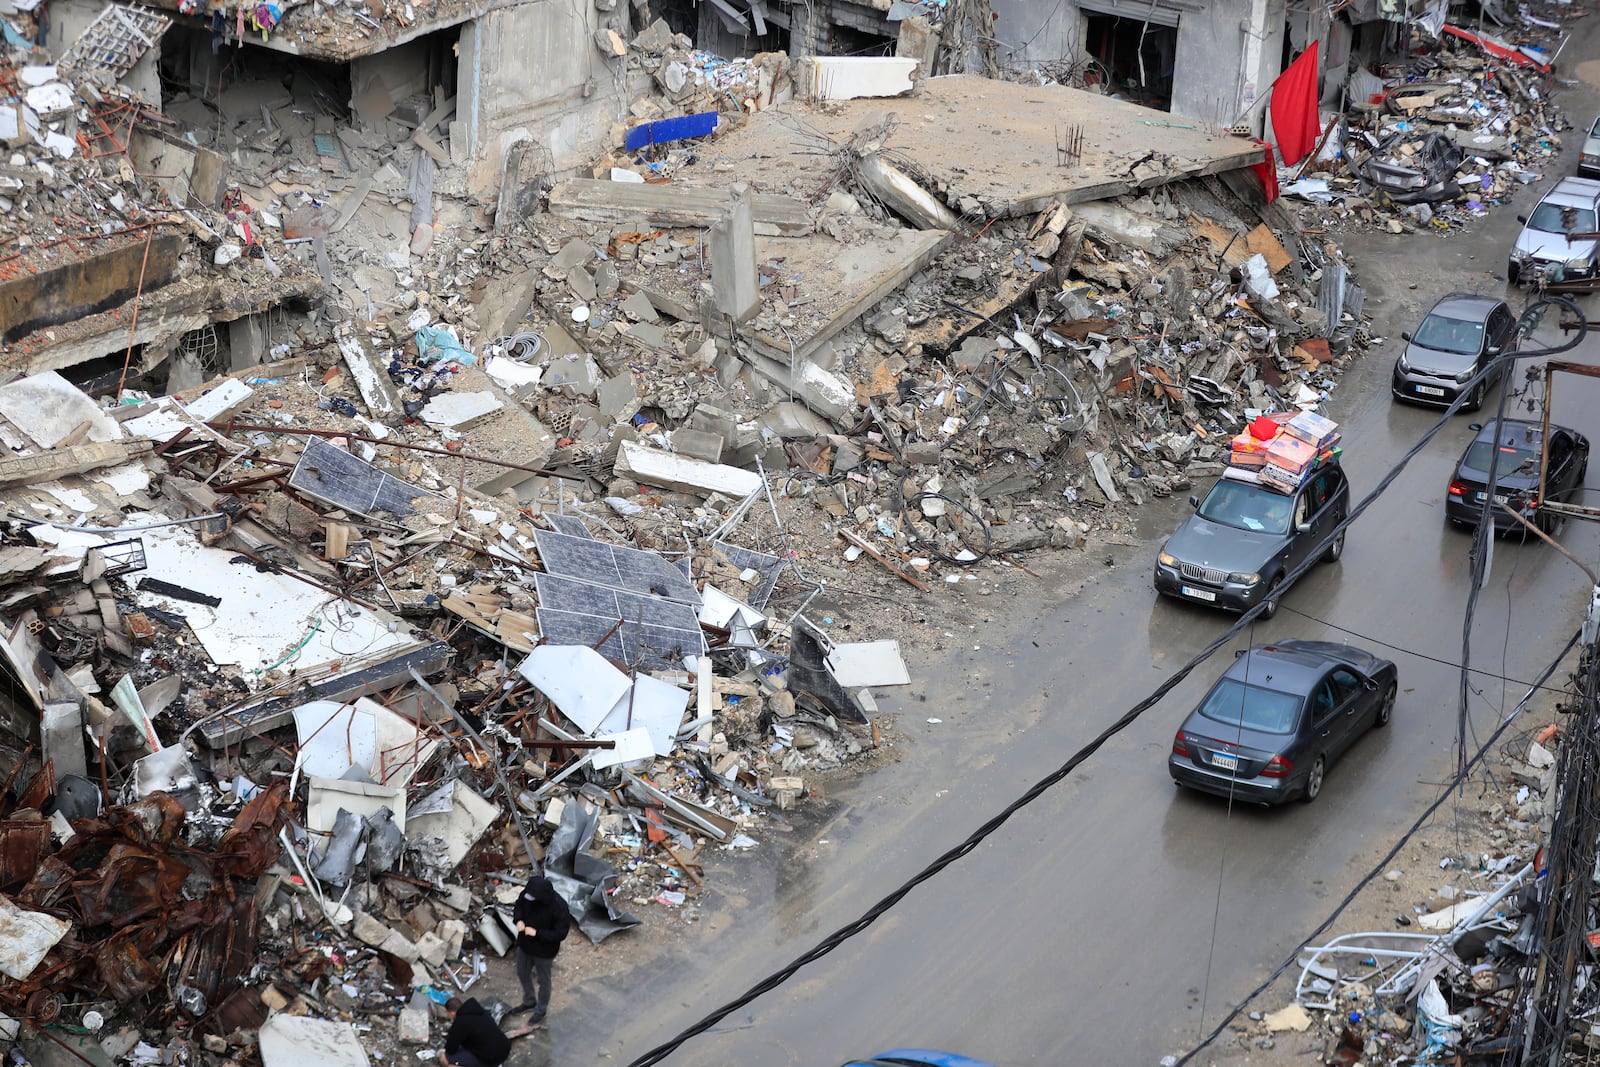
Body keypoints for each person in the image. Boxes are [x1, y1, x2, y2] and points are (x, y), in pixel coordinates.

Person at [512, 875, 572, 1024]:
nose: (529, 898)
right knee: (522, 973)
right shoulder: (527, 895)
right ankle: (529, 1001)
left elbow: (560, 933)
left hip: (544, 951)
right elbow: (518, 906)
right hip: (525, 945)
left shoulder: (559, 907)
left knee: (543, 980)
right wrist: (518, 919)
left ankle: (541, 1009)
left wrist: (537, 933)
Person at [439, 997, 523, 1067]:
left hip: (491, 1059)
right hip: (504, 1049)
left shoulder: (461, 1022)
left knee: (445, 1059)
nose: (449, 1016)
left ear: (452, 1013)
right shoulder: (478, 1010)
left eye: (448, 1014)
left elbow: (450, 1049)